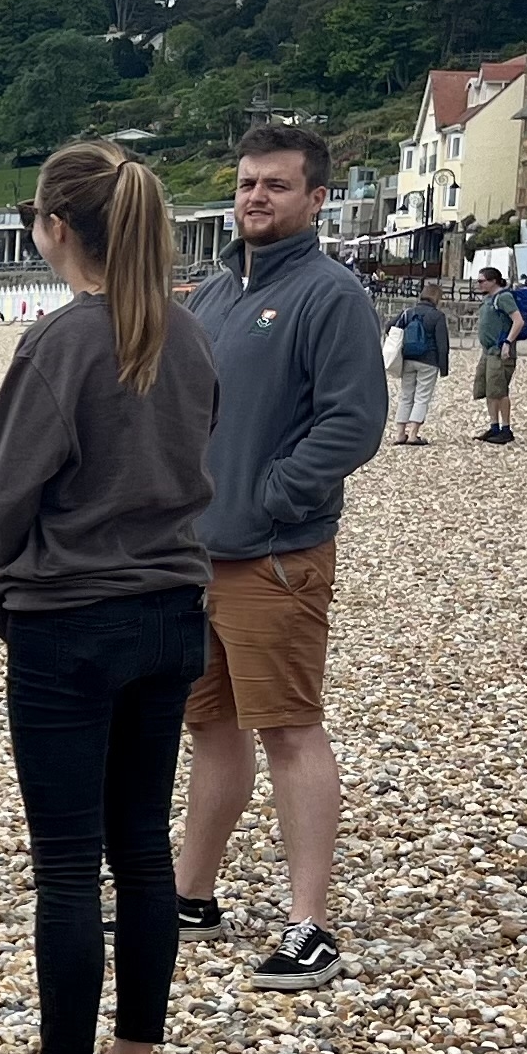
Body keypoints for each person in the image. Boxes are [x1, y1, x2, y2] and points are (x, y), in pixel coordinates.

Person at [0, 147, 220, 1054]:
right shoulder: (188, 338)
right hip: (170, 610)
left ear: (55, 229)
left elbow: (9, 496)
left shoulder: (63, 343)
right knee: (143, 850)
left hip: (71, 617)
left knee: (68, 863)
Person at [168, 121, 386, 993]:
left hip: (273, 556)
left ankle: (310, 923)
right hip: (192, 555)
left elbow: (352, 421)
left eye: (277, 185)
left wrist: (270, 497)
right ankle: (190, 893)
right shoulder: (212, 296)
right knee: (209, 727)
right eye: (248, 183)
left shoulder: (329, 294)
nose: (256, 197)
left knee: (289, 728)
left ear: (316, 198)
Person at [387, 283, 449, 446]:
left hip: (408, 358)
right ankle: (413, 434)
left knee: (406, 396)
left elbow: (389, 328)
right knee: (422, 397)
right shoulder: (437, 316)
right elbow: (442, 345)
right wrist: (444, 368)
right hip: (429, 361)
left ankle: (400, 433)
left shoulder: (408, 312)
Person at [471, 266, 524, 445]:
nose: (478, 284)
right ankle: (494, 426)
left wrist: (507, 343)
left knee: (500, 390)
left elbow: (518, 321)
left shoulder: (504, 297)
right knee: (489, 390)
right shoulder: (489, 299)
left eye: (481, 281)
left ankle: (506, 429)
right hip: (488, 352)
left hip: (500, 352)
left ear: (493, 281)